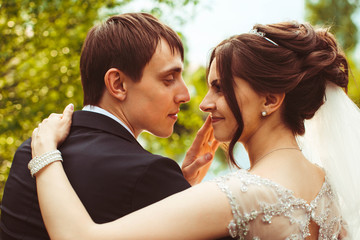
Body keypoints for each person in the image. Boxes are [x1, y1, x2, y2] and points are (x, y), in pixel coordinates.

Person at [30, 21, 360, 239]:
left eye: (219, 87)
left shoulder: (240, 194)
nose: (203, 103)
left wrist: (45, 153)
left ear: (271, 99)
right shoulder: (327, 187)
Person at [0, 13, 219, 239]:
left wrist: (178, 193)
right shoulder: (150, 175)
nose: (185, 95)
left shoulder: (30, 151)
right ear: (118, 84)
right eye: (168, 79)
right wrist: (171, 190)